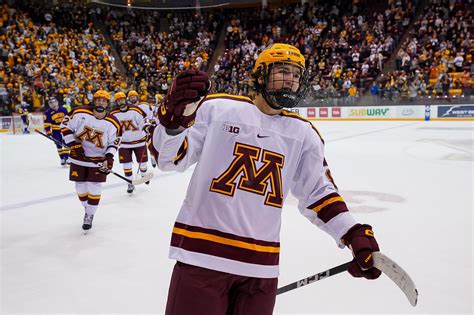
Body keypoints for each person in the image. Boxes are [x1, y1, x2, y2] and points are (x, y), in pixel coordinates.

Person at [150, 43, 382, 315]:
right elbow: (169, 159)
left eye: (296, 75)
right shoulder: (218, 109)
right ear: (259, 75)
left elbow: (319, 194)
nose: (291, 79)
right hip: (202, 259)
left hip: (260, 269)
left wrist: (352, 233)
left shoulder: (303, 134)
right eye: (283, 70)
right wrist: (173, 124)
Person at [60, 90, 121, 230]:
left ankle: (89, 215)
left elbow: (115, 141)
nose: (101, 103)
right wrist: (73, 144)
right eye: (98, 100)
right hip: (78, 158)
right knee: (80, 188)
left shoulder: (113, 122)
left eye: (104, 101)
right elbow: (65, 126)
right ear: (94, 101)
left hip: (98, 160)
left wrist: (109, 157)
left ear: (108, 103)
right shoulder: (79, 112)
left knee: (94, 187)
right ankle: (88, 208)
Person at [110, 91, 149, 194]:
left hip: (139, 141)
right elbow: (111, 128)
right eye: (118, 101)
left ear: (125, 100)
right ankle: (129, 183)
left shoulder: (135, 110)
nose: (121, 102)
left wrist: (147, 128)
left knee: (143, 164)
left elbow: (143, 122)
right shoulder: (113, 114)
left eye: (122, 99)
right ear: (116, 102)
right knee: (126, 165)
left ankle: (144, 175)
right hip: (124, 144)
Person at [43, 97, 69, 165]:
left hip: (65, 129)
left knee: (67, 143)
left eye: (54, 102)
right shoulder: (47, 113)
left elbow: (69, 119)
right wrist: (48, 132)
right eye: (51, 103)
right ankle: (62, 158)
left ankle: (67, 157)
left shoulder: (64, 109)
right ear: (49, 104)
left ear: (57, 102)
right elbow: (46, 124)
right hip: (56, 131)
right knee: (58, 144)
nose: (53, 104)